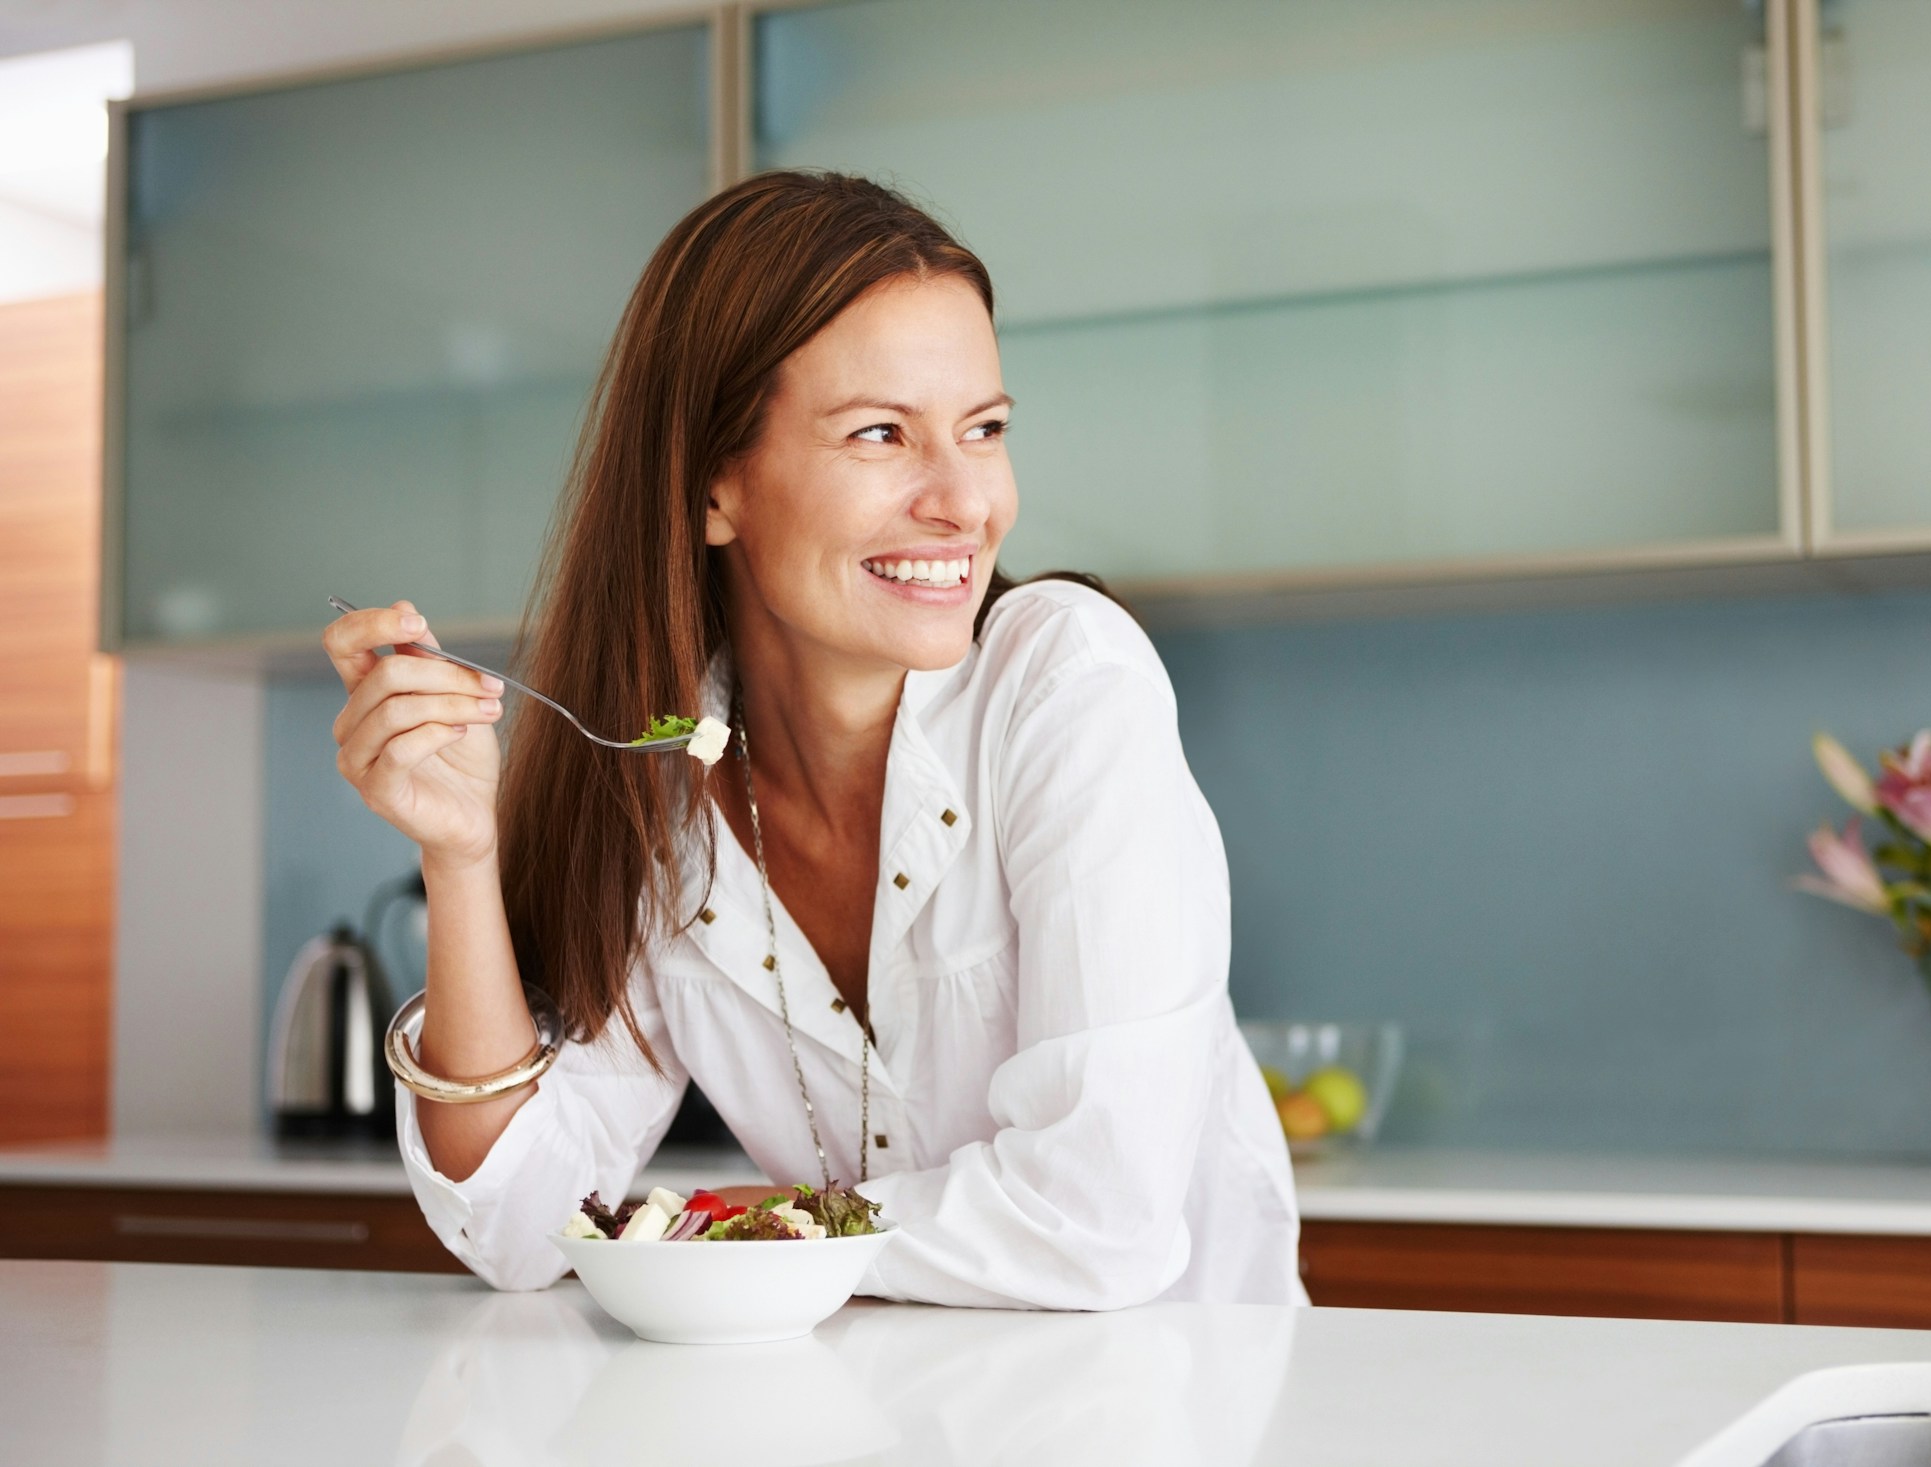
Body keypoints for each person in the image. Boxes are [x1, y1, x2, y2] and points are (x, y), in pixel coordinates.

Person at [322, 171, 1301, 1308]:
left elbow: (1096, 1219)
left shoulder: (1065, 680)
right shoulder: (662, 780)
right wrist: (461, 855)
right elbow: (520, 1223)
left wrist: (700, 1238)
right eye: (881, 433)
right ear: (709, 489)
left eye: (982, 430)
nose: (963, 501)